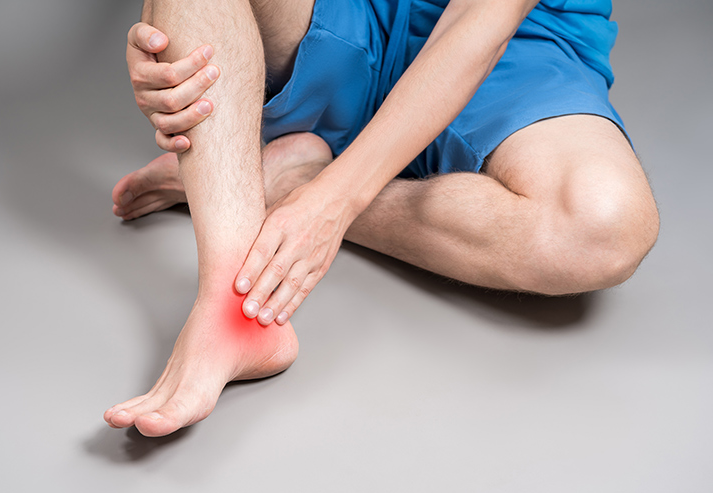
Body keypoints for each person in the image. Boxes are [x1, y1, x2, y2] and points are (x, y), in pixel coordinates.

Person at [104, 0, 659, 437]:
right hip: (352, 16)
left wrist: (330, 200)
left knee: (600, 228)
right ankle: (233, 315)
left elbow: (482, 18)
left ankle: (284, 181)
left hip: (518, 43)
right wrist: (163, 38)